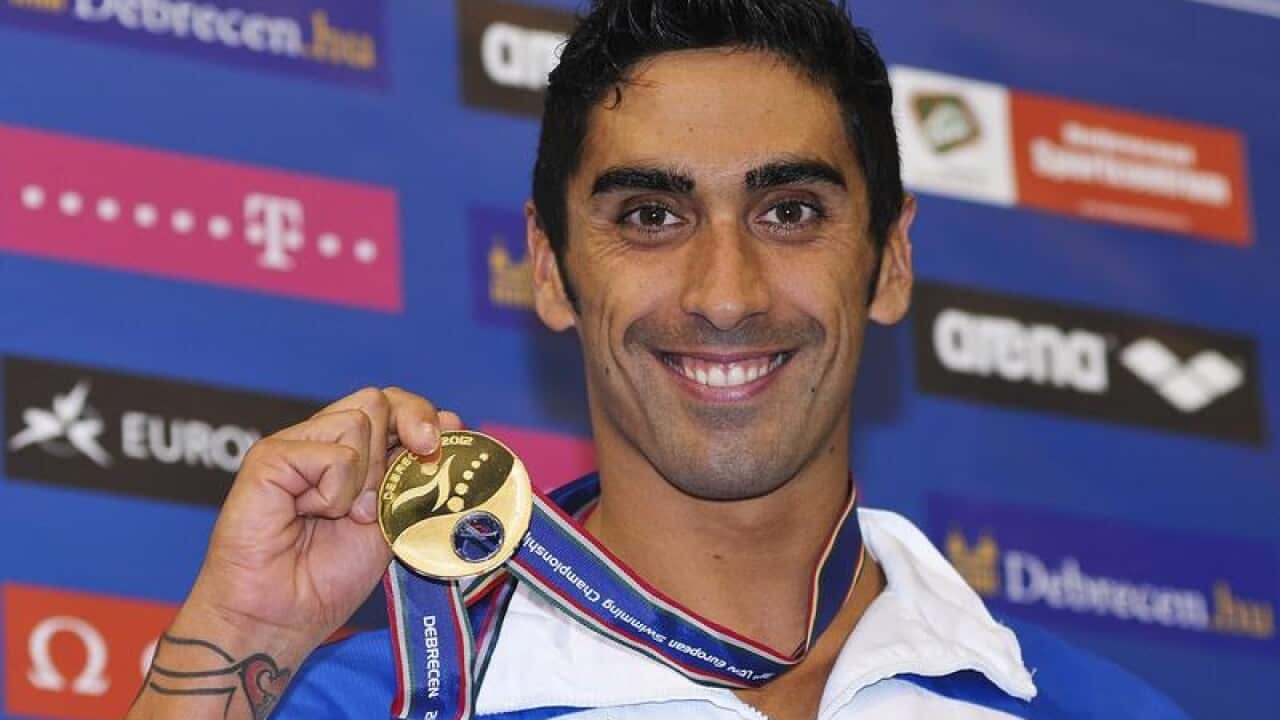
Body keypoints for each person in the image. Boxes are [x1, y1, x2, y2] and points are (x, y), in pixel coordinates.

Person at [126, 1, 1191, 718]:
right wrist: (244, 635)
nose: (723, 293)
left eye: (788, 210)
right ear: (548, 270)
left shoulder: (1086, 704)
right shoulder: (400, 696)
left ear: (892, 259)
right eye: (648, 214)